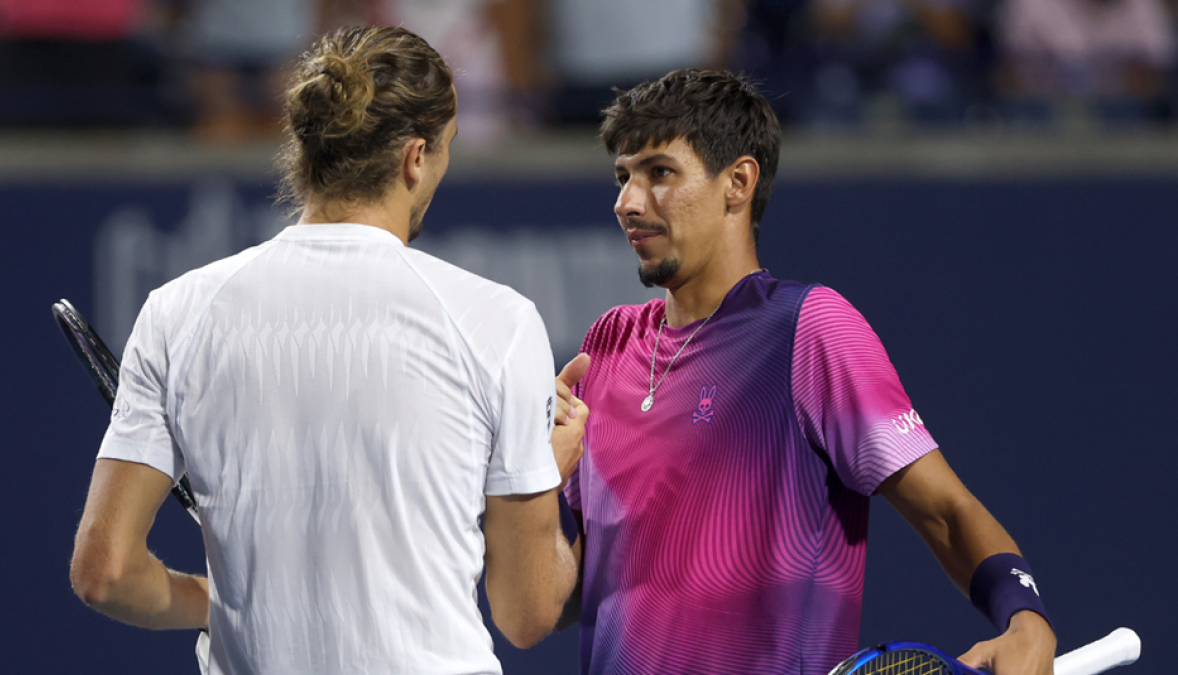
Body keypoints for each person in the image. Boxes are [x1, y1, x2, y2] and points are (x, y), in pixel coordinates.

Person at [69, 25, 587, 675]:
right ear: (414, 158)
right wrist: (548, 477)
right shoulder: (498, 321)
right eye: (448, 149)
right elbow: (528, 611)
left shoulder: (178, 313)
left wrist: (216, 601)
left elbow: (105, 572)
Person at [554, 69, 1056, 675]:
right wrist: (534, 485)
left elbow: (945, 512)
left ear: (737, 182)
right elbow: (564, 596)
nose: (628, 202)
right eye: (623, 177)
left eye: (659, 172)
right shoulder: (605, 344)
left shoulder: (809, 328)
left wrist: (1025, 619)